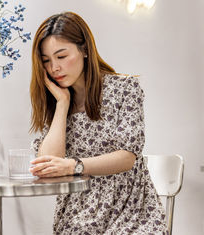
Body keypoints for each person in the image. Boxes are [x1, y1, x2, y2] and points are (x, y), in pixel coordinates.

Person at [29, 12, 168, 234]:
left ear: (84, 50)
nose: (54, 67)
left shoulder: (124, 89)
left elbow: (127, 158)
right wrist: (63, 104)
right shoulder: (58, 103)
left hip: (132, 211)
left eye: (61, 56)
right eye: (46, 61)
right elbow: (47, 165)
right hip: (78, 215)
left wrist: (74, 165)